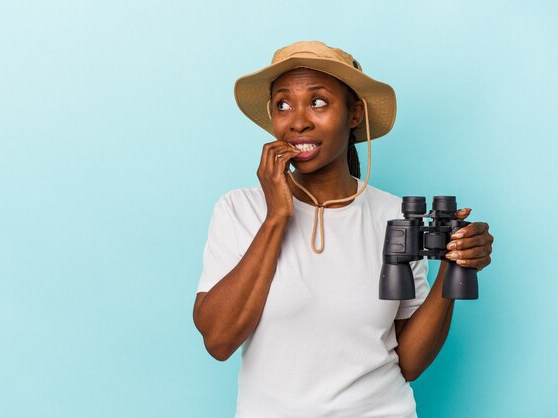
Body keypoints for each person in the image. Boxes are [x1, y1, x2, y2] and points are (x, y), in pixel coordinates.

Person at [193, 41, 494, 418]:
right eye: (283, 104)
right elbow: (218, 340)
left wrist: (454, 264)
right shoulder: (238, 209)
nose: (297, 120)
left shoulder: (394, 215)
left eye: (318, 102)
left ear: (354, 114)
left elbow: (410, 363)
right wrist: (276, 218)